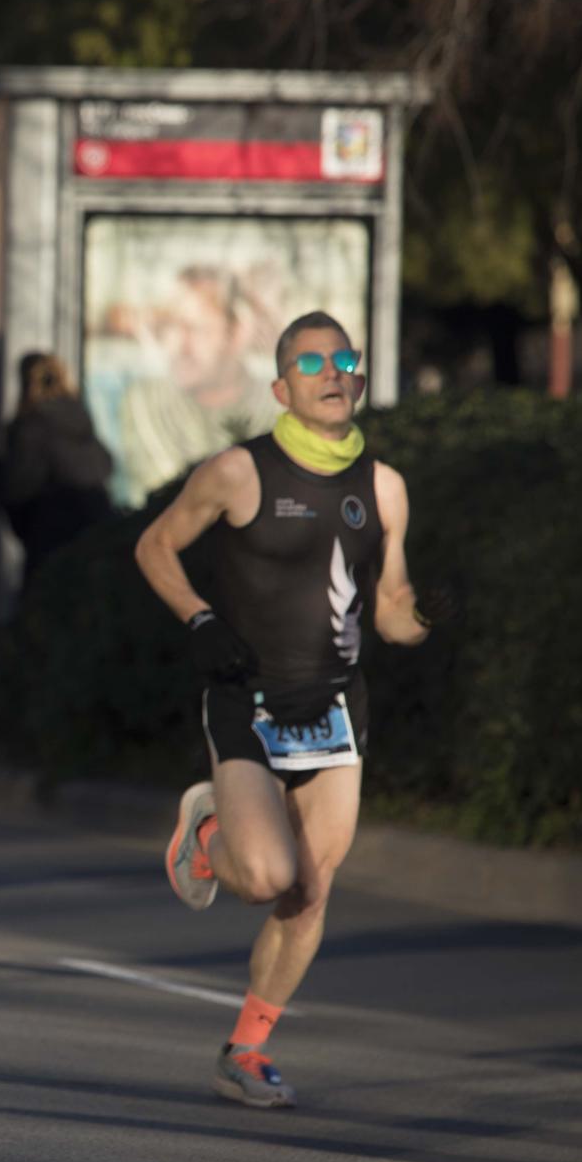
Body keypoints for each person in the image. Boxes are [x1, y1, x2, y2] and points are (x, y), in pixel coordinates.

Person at [134, 310, 457, 1108]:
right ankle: (210, 829)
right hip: (249, 696)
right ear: (282, 387)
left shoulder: (384, 487)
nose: (332, 372)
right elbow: (154, 546)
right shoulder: (240, 472)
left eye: (344, 359)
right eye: (312, 363)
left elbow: (386, 607)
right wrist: (201, 620)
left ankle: (247, 1047)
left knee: (310, 887)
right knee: (265, 875)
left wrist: (423, 614)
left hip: (337, 706)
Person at [117, 266, 281, 500]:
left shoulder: (278, 406)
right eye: (172, 326)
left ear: (237, 332)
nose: (180, 346)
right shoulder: (144, 403)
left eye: (197, 329)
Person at [2, 352, 114, 588]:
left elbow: (18, 489)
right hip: (95, 534)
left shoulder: (29, 428)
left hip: (49, 538)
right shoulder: (80, 420)